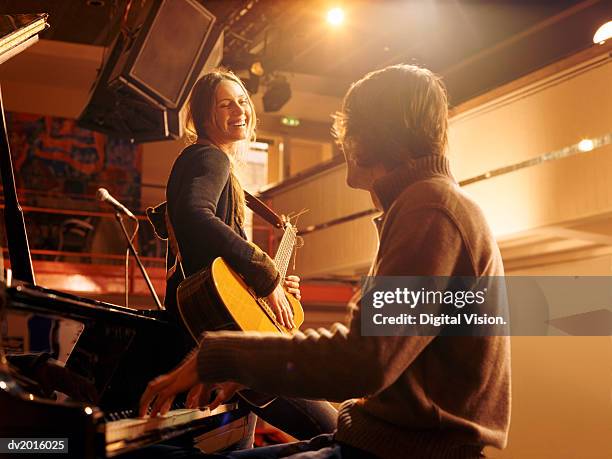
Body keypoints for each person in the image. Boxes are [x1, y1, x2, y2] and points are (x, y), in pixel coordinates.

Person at [139, 64, 511, 459]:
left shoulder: (429, 210)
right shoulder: (425, 206)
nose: (343, 141)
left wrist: (228, 356)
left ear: (373, 136)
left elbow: (366, 359)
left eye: (349, 129)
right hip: (381, 441)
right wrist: (248, 363)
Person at [151, 69, 337, 442]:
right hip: (226, 339)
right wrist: (265, 274)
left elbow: (212, 254)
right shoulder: (210, 156)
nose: (239, 109)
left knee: (242, 440)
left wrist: (271, 289)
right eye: (225, 104)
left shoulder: (203, 160)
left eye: (242, 101)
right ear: (203, 116)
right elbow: (192, 212)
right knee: (334, 431)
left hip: (215, 328)